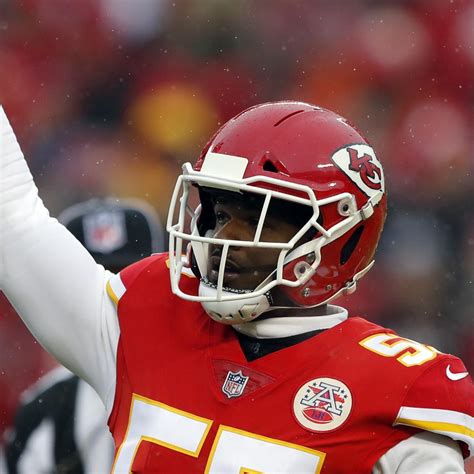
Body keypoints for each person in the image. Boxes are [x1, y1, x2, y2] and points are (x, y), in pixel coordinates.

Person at [0, 101, 472, 473]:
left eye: (258, 220)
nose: (227, 239)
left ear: (336, 240)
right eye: (222, 214)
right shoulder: (148, 313)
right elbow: (13, 220)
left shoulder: (397, 388)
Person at [3, 197, 164, 474]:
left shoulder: (198, 384)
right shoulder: (45, 409)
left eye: (126, 282)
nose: (111, 304)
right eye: (93, 292)